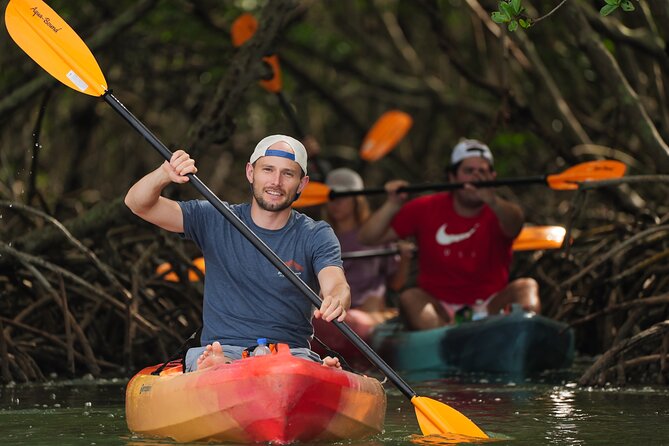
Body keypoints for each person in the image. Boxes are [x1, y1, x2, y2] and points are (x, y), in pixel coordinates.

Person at [124, 134, 350, 370]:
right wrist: (164, 174)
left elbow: (335, 282)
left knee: (294, 365)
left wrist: (336, 299)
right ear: (250, 173)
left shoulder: (316, 234)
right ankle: (220, 366)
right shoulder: (215, 217)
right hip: (222, 349)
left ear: (302, 184)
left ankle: (314, 372)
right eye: (268, 170)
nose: (276, 181)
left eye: (288, 174)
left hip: (290, 356)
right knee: (216, 361)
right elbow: (137, 203)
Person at [358, 138, 540, 330]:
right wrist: (392, 204)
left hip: (491, 305)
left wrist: (491, 199)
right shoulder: (425, 208)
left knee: (526, 287)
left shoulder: (502, 212)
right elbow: (368, 237)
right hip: (440, 309)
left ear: (492, 177)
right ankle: (446, 342)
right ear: (453, 177)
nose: (476, 177)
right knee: (410, 298)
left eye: (483, 172)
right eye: (469, 171)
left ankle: (522, 341)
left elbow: (515, 225)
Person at [323, 168, 413, 321]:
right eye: (332, 197)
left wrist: (405, 259)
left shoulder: (374, 235)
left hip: (369, 311)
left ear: (356, 200)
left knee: (371, 304)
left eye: (342, 197)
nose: (335, 203)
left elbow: (396, 284)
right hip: (333, 309)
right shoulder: (320, 236)